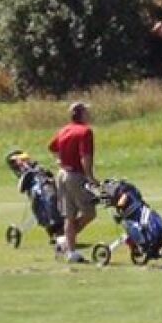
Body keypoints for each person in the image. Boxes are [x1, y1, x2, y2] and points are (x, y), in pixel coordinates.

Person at [48, 102, 99, 263]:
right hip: (76, 175)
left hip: (62, 174)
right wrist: (90, 176)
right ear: (81, 114)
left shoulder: (64, 130)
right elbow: (86, 156)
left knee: (69, 216)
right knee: (89, 212)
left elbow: (52, 147)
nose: (89, 114)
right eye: (86, 112)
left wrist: (60, 159)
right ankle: (65, 241)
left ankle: (69, 250)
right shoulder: (85, 132)